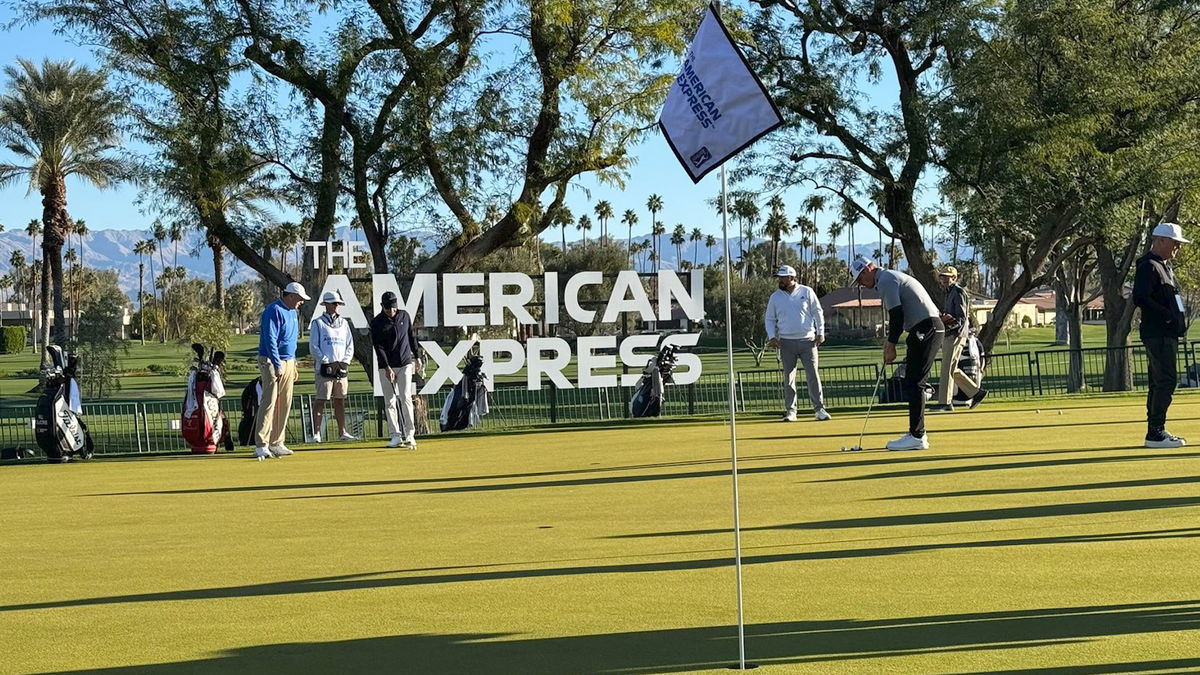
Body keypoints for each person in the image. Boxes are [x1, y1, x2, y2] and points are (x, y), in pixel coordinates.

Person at [851, 257, 944, 451]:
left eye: (860, 278)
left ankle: (917, 436)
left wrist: (891, 344)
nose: (861, 284)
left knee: (915, 382)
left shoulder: (885, 279)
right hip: (925, 328)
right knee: (913, 380)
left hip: (926, 327)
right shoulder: (888, 278)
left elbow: (897, 315)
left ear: (869, 268)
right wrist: (890, 342)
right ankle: (917, 433)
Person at [1133, 222, 1190, 448]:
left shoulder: (1164, 267)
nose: (1177, 248)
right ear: (1161, 241)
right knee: (1165, 380)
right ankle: (1156, 432)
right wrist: (1167, 316)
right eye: (1175, 244)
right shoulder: (1149, 266)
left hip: (1166, 334)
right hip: (1158, 333)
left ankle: (1155, 430)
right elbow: (1140, 297)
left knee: (1159, 382)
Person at [765, 264, 830, 422]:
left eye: (783, 277)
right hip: (786, 342)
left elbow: (817, 312)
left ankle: (819, 409)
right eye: (779, 277)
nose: (780, 280)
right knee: (789, 378)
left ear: (792, 278)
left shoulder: (807, 291)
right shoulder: (775, 297)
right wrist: (772, 336)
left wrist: (820, 332)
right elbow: (769, 319)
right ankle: (791, 411)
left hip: (808, 340)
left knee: (813, 375)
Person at [254, 281, 309, 460]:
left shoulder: (293, 312)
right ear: (291, 296)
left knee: (285, 402)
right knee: (269, 401)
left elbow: (290, 341)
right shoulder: (274, 310)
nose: (301, 302)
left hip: (288, 361)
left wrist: (293, 364)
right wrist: (277, 364)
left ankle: (277, 442)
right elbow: (270, 339)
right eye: (300, 299)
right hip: (271, 360)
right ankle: (262, 444)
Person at [371, 291, 421, 449]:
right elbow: (378, 347)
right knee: (390, 400)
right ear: (382, 307)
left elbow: (411, 336)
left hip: (405, 362)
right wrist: (387, 367)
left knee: (405, 397)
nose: (391, 311)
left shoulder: (404, 316)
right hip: (386, 366)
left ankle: (410, 434)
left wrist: (417, 356)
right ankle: (395, 436)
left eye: (393, 308)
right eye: (387, 309)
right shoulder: (377, 322)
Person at [933, 266, 987, 411]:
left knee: (946, 368)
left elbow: (962, 317)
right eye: (943, 277)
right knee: (951, 368)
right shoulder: (949, 293)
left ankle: (945, 402)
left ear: (954, 278)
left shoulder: (958, 292)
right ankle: (976, 392)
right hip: (950, 334)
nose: (944, 279)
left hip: (956, 334)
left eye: (948, 277)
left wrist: (950, 325)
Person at [309, 290, 357, 443]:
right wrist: (326, 360)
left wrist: (345, 361)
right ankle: (316, 433)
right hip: (324, 368)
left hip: (341, 368)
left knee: (340, 400)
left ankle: (342, 432)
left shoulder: (344, 324)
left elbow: (350, 345)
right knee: (321, 400)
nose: (337, 306)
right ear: (327, 305)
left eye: (338, 304)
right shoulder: (318, 323)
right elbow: (314, 347)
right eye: (334, 303)